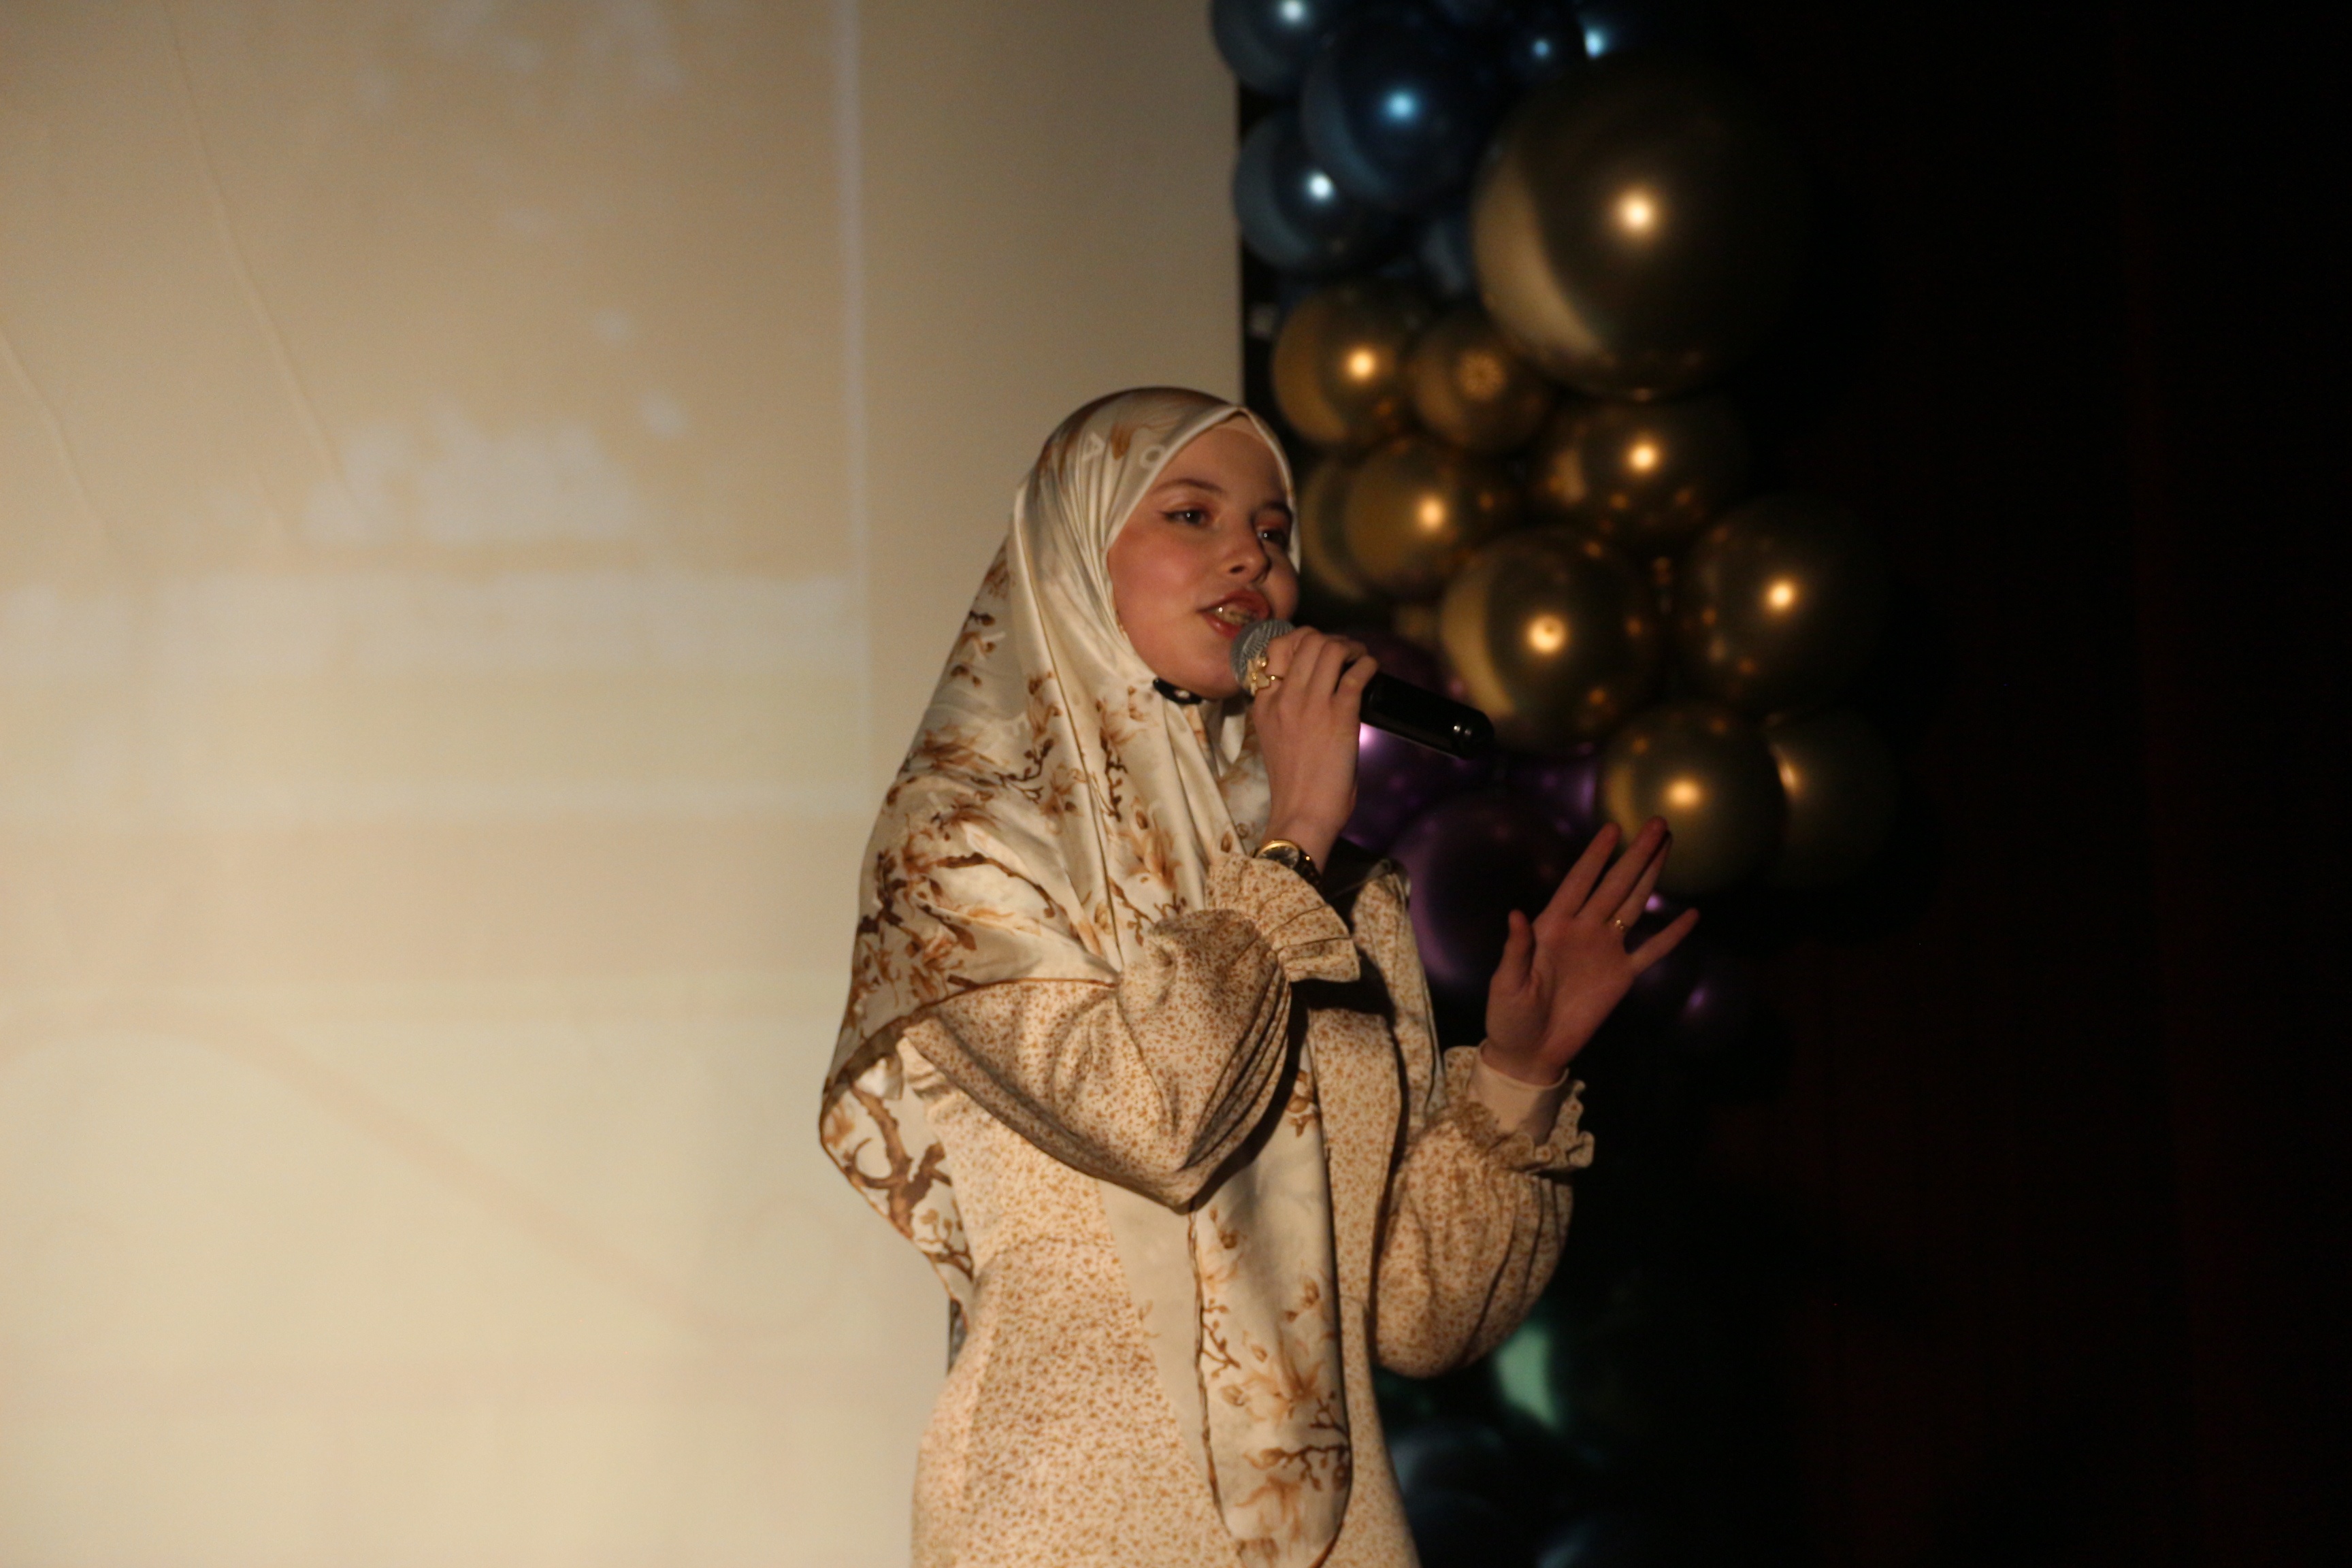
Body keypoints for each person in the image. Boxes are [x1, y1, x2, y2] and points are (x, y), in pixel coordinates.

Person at [819, 387, 1693, 1567]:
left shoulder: (1345, 890)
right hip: (1068, 1517)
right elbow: (1151, 1118)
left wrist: (1519, 1072)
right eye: (1192, 514)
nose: (1251, 556)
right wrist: (1297, 836)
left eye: (1274, 533)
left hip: (1340, 1532)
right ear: (1070, 558)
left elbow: (1415, 1320)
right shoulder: (960, 839)